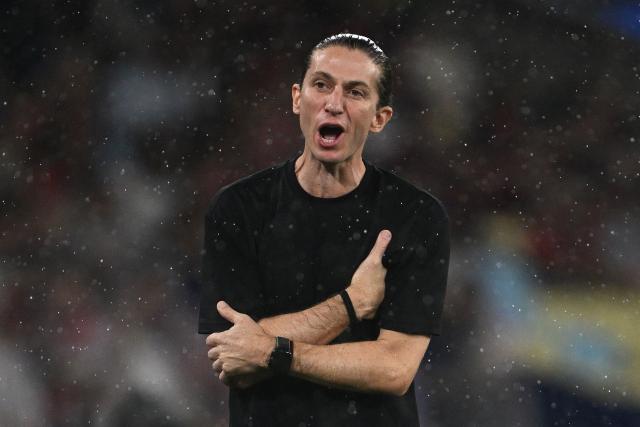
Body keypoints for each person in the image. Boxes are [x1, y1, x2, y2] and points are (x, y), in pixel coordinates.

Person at [199, 33, 450, 426]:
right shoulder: (239, 209)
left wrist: (274, 351)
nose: (334, 104)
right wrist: (351, 304)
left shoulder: (414, 216)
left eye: (355, 92)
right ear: (298, 98)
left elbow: (394, 369)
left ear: (380, 118)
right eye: (322, 85)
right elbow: (234, 360)